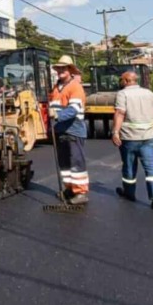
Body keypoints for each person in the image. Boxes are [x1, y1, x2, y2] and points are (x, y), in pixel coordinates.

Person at [112, 70, 153, 210]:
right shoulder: (149, 93)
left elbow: (120, 113)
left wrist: (115, 132)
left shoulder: (123, 94)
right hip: (148, 137)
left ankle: (129, 193)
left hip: (129, 137)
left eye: (121, 80)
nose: (120, 82)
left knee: (129, 167)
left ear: (127, 81)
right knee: (151, 166)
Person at [49, 55, 89, 204]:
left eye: (63, 68)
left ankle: (80, 192)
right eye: (58, 68)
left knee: (76, 161)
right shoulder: (56, 87)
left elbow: (73, 109)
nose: (60, 71)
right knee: (64, 163)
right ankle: (69, 188)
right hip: (59, 130)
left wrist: (57, 115)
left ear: (70, 70)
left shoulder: (75, 87)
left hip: (74, 129)